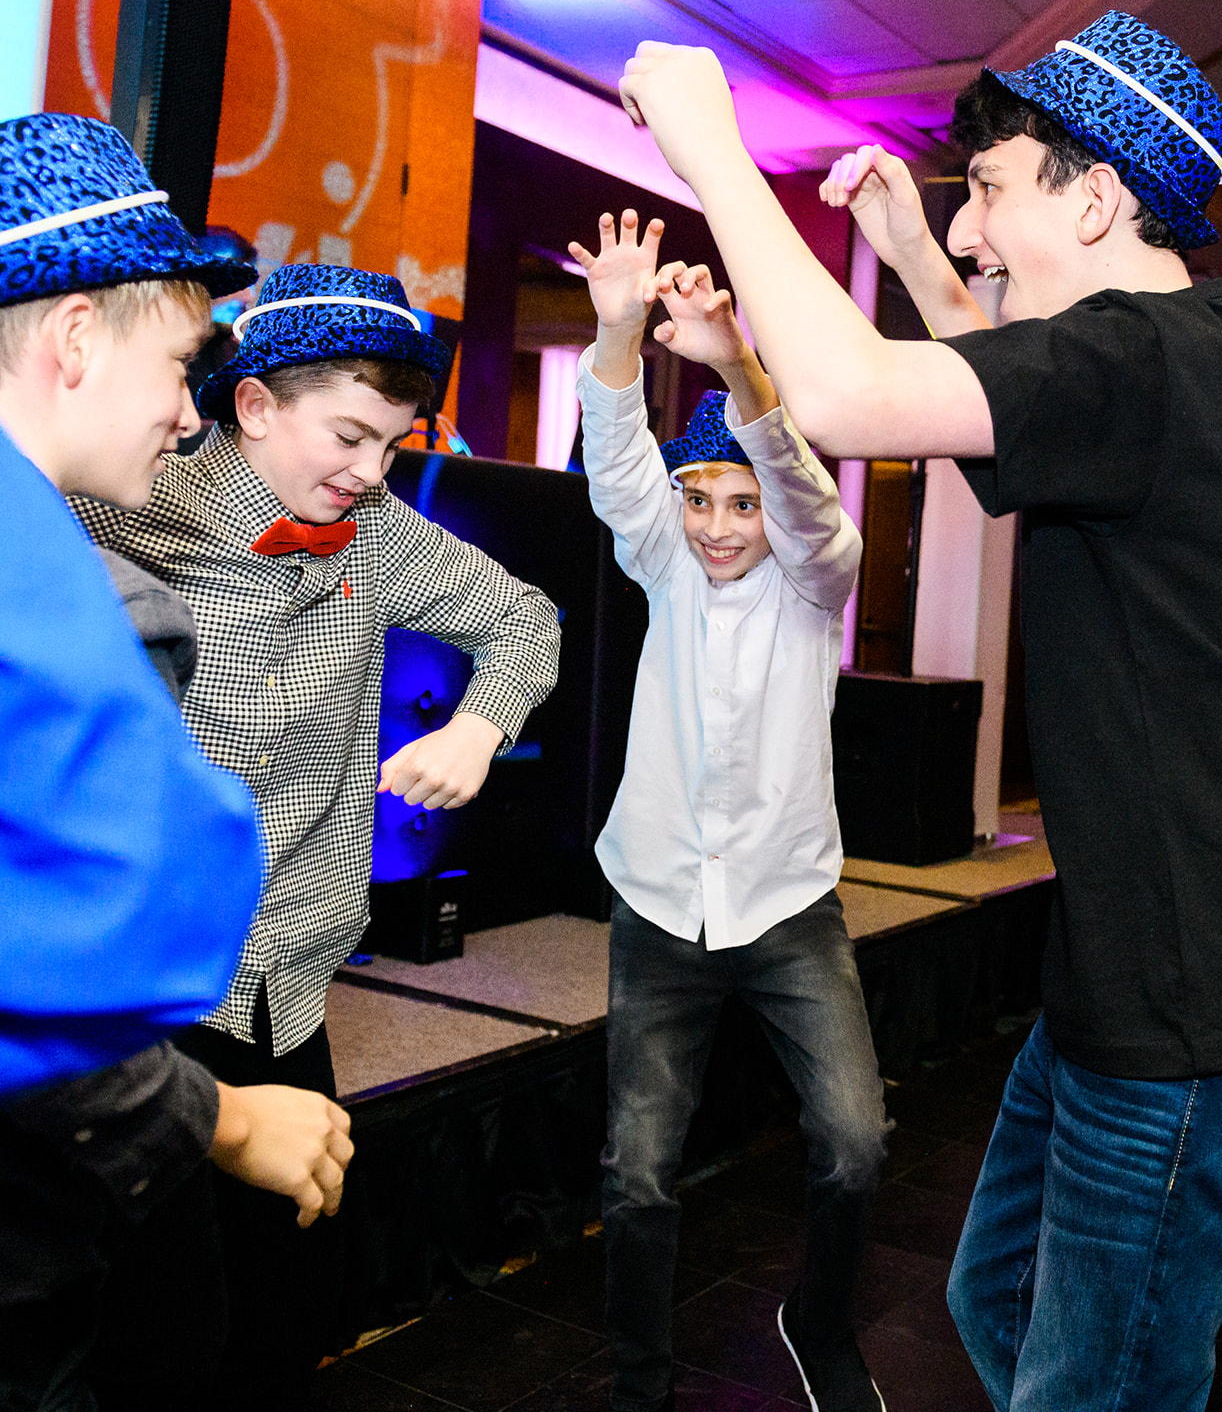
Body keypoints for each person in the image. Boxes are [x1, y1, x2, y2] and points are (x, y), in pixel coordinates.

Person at [615, 13, 1222, 1410]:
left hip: (1208, 991)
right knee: (999, 1296)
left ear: (1097, 197)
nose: (972, 232)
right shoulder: (1180, 355)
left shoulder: (1145, 358)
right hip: (1143, 960)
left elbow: (843, 396)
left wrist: (710, 140)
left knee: (1094, 1383)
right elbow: (1007, 407)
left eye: (996, 190)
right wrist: (908, 254)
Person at [72, 259, 563, 1409]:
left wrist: (482, 727)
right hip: (157, 991)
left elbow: (524, 618)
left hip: (293, 991)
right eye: (349, 434)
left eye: (392, 443)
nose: (372, 470)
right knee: (154, 1332)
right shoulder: (132, 496)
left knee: (289, 1308)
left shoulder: (380, 532)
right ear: (252, 404)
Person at [0, 113, 352, 1410]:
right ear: (77, 336)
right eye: (181, 364)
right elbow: (47, 982)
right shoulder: (78, 608)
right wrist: (227, 1119)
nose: (188, 418)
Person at [568, 209, 884, 1412]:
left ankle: (821, 1321)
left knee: (854, 1144)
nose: (713, 526)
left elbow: (807, 505)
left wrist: (734, 361)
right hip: (656, 901)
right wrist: (616, 337)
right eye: (697, 498)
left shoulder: (818, 575)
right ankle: (638, 1381)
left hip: (789, 908)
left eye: (735, 503)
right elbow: (612, 463)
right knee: (637, 1173)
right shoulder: (660, 556)